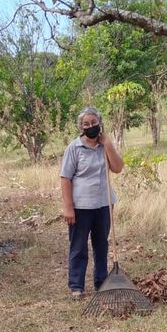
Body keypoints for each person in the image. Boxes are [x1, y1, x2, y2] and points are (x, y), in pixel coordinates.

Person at [59, 107, 124, 298]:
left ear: (100, 123)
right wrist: (68, 207)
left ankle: (101, 281)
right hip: (80, 207)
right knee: (78, 246)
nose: (91, 127)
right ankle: (76, 286)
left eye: (94, 123)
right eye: (86, 124)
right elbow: (65, 178)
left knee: (101, 245)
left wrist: (108, 144)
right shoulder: (74, 148)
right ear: (81, 127)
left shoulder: (105, 146)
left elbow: (118, 168)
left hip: (104, 204)